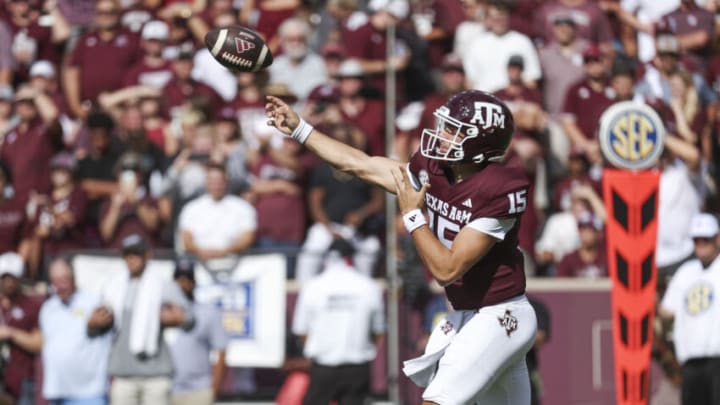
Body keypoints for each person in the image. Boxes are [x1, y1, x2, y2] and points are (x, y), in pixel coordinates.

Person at [266, 88, 537, 404]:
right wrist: (301, 129)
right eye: (444, 125)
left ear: (478, 143)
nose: (441, 134)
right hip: (468, 313)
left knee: (436, 401)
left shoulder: (498, 189)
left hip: (500, 314)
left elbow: (446, 269)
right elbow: (361, 164)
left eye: (453, 130)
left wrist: (412, 215)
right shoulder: (433, 168)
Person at [87, 234, 194, 405]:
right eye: (127, 255)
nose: (131, 259)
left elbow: (189, 318)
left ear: (147, 255)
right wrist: (92, 325)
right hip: (123, 373)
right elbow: (98, 326)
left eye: (136, 254)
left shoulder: (162, 285)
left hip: (155, 374)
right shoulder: (113, 286)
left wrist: (178, 318)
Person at [292, 238, 385, 405]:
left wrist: (318, 348)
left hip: (323, 367)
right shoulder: (368, 286)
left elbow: (301, 331)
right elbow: (379, 332)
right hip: (357, 367)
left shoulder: (313, 286)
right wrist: (364, 350)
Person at [659, 213, 720, 405]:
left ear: (717, 238)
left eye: (706, 239)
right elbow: (667, 310)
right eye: (697, 239)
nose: (701, 244)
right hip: (690, 360)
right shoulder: (686, 272)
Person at [39, 257, 112, 405]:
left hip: (89, 393)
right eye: (55, 281)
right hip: (57, 391)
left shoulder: (94, 301)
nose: (60, 286)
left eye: (64, 280)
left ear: (73, 278)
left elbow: (108, 320)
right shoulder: (48, 308)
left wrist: (95, 325)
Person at [169, 257, 228, 405]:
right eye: (179, 279)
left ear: (194, 282)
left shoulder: (208, 313)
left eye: (187, 279)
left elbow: (220, 351)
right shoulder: (161, 313)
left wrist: (213, 390)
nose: (183, 284)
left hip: (198, 391)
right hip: (167, 389)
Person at [0, 252, 41, 405]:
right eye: (5, 278)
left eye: (13, 278)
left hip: (24, 380)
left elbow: (38, 343)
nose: (9, 283)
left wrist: (10, 333)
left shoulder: (32, 305)